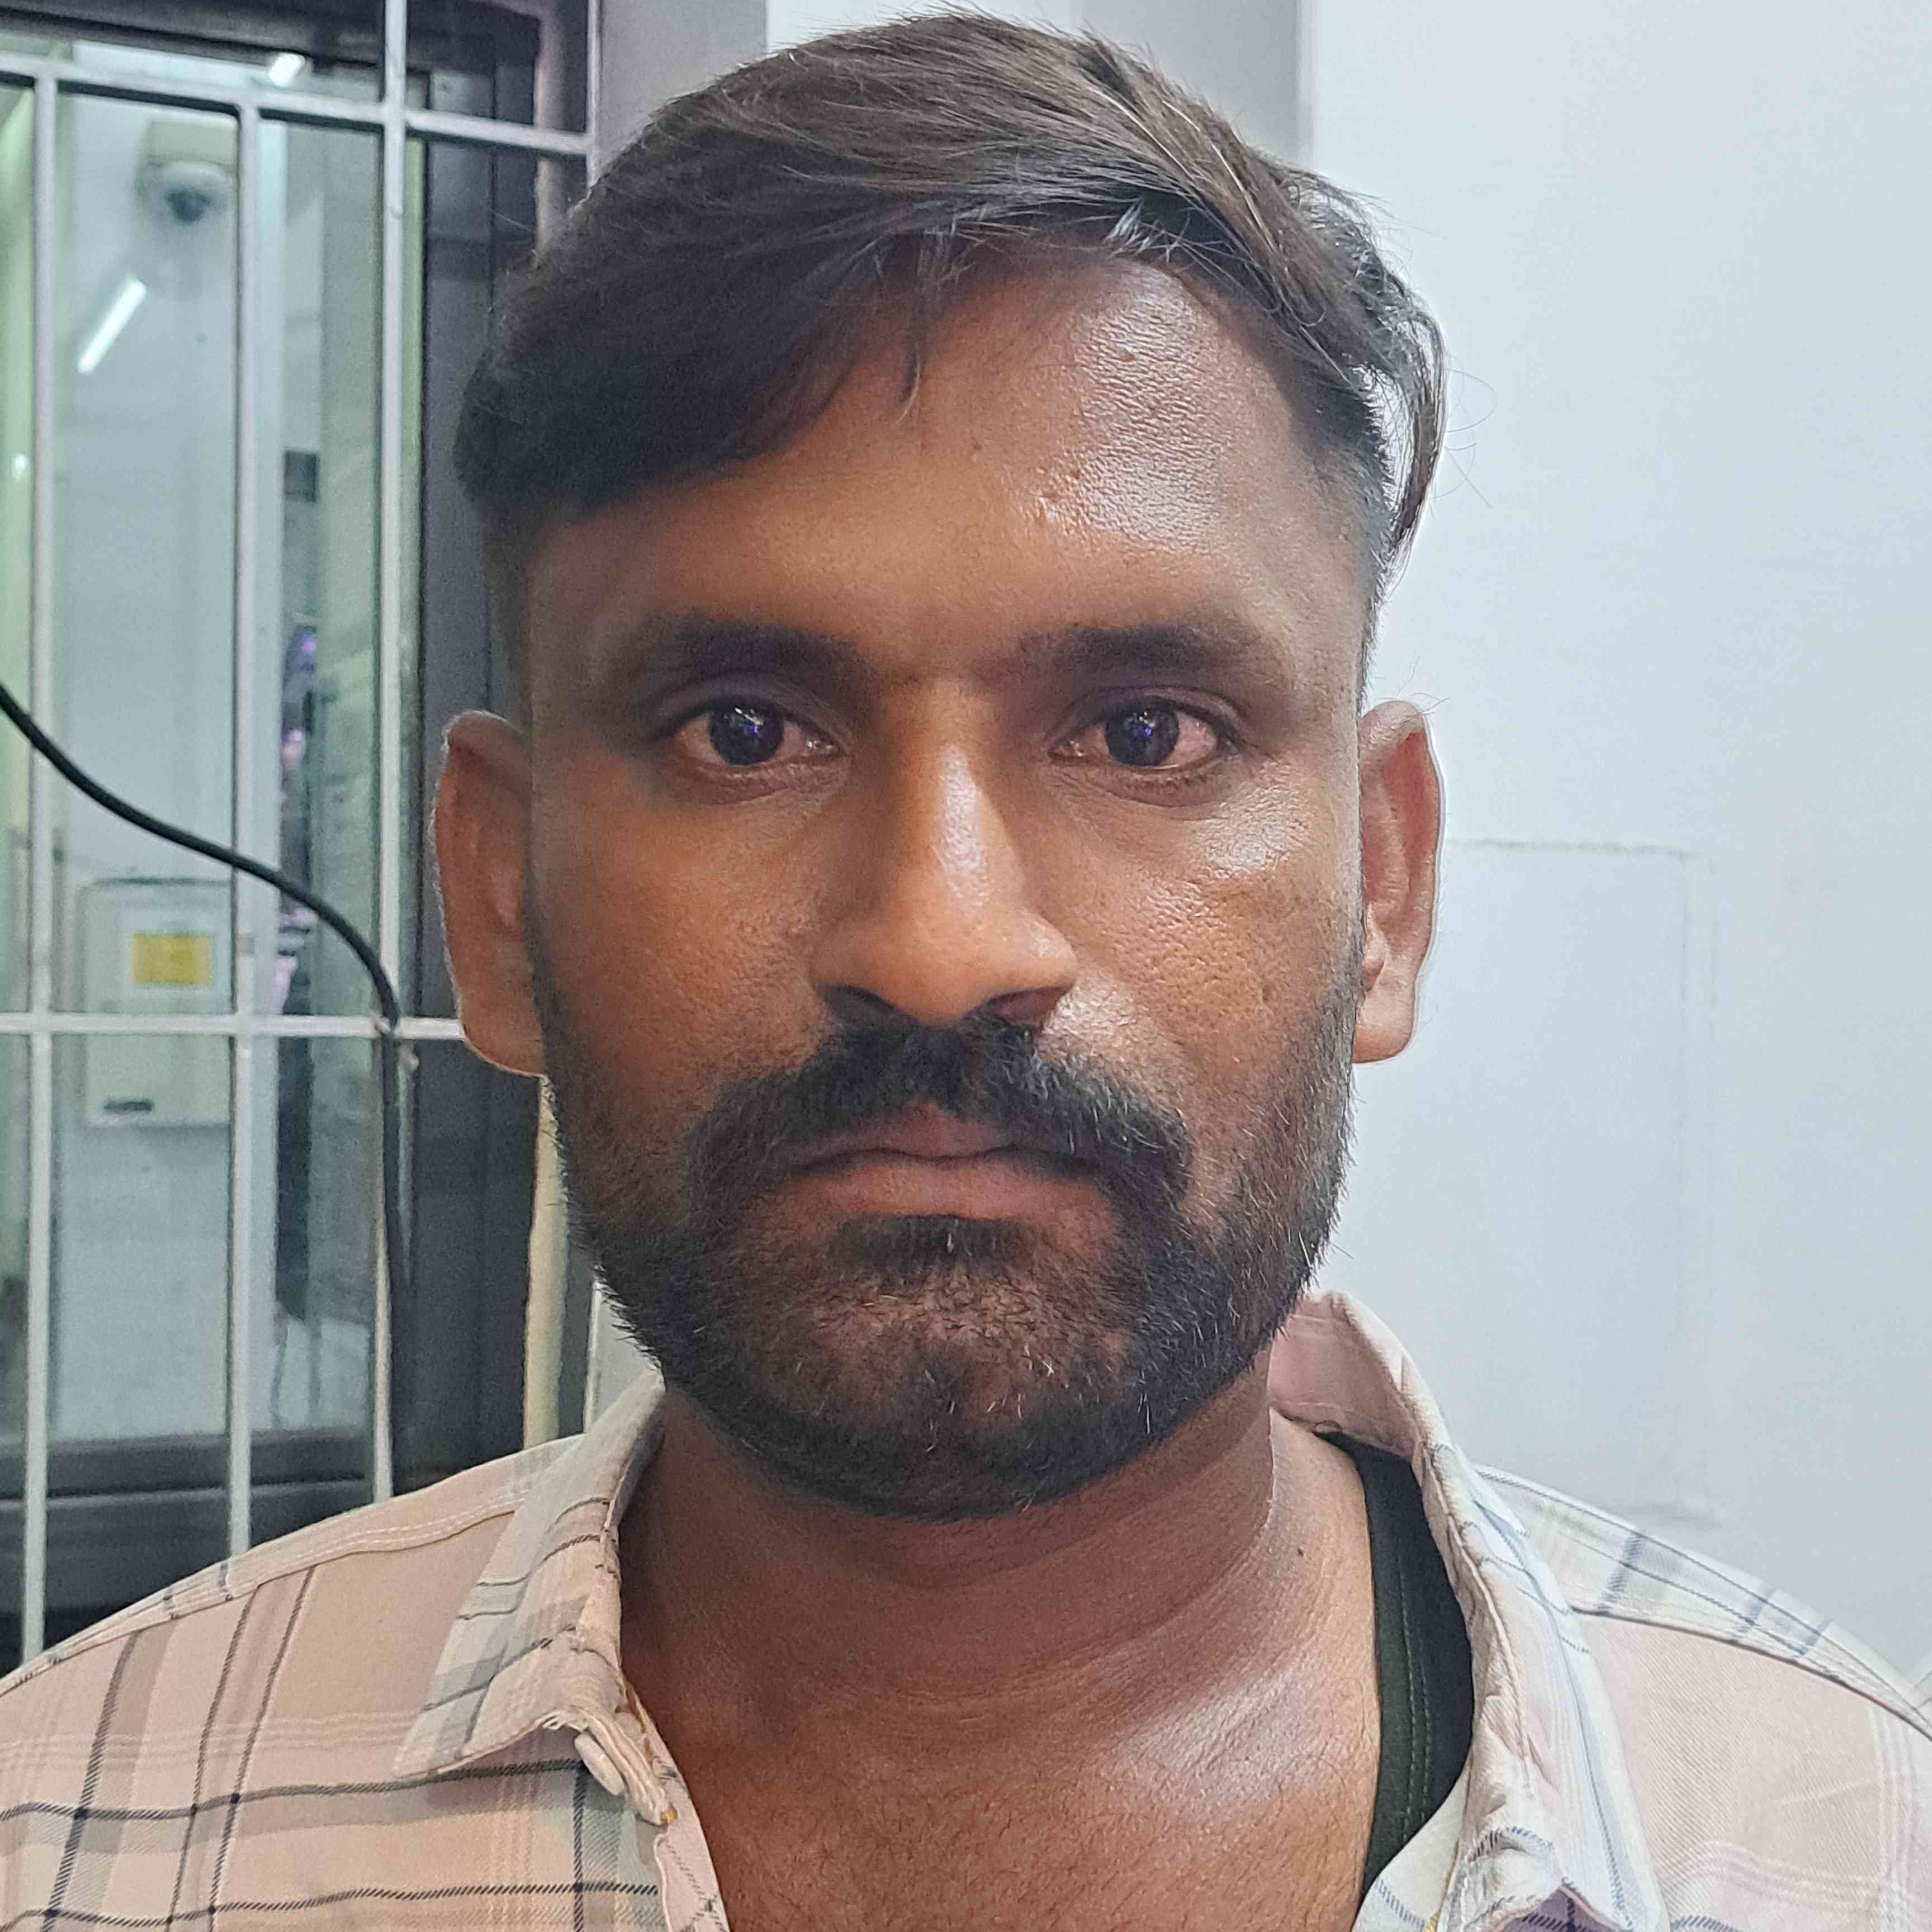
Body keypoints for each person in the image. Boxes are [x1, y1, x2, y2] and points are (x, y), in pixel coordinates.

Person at [2, 16, 1925, 1929]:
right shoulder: (73, 1846)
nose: (939, 946)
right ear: (497, 898)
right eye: (745, 731)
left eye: (1148, 734)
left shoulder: (1852, 1849)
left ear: (1385, 888)